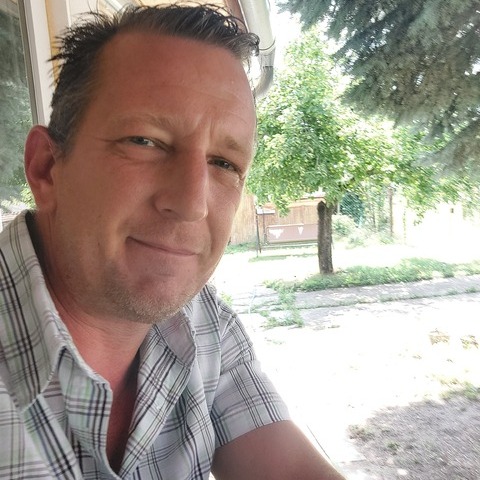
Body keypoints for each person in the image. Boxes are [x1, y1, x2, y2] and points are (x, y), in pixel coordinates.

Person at [0, 4, 346, 479]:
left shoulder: (202, 320)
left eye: (224, 163)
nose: (191, 204)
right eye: (145, 141)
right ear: (46, 168)